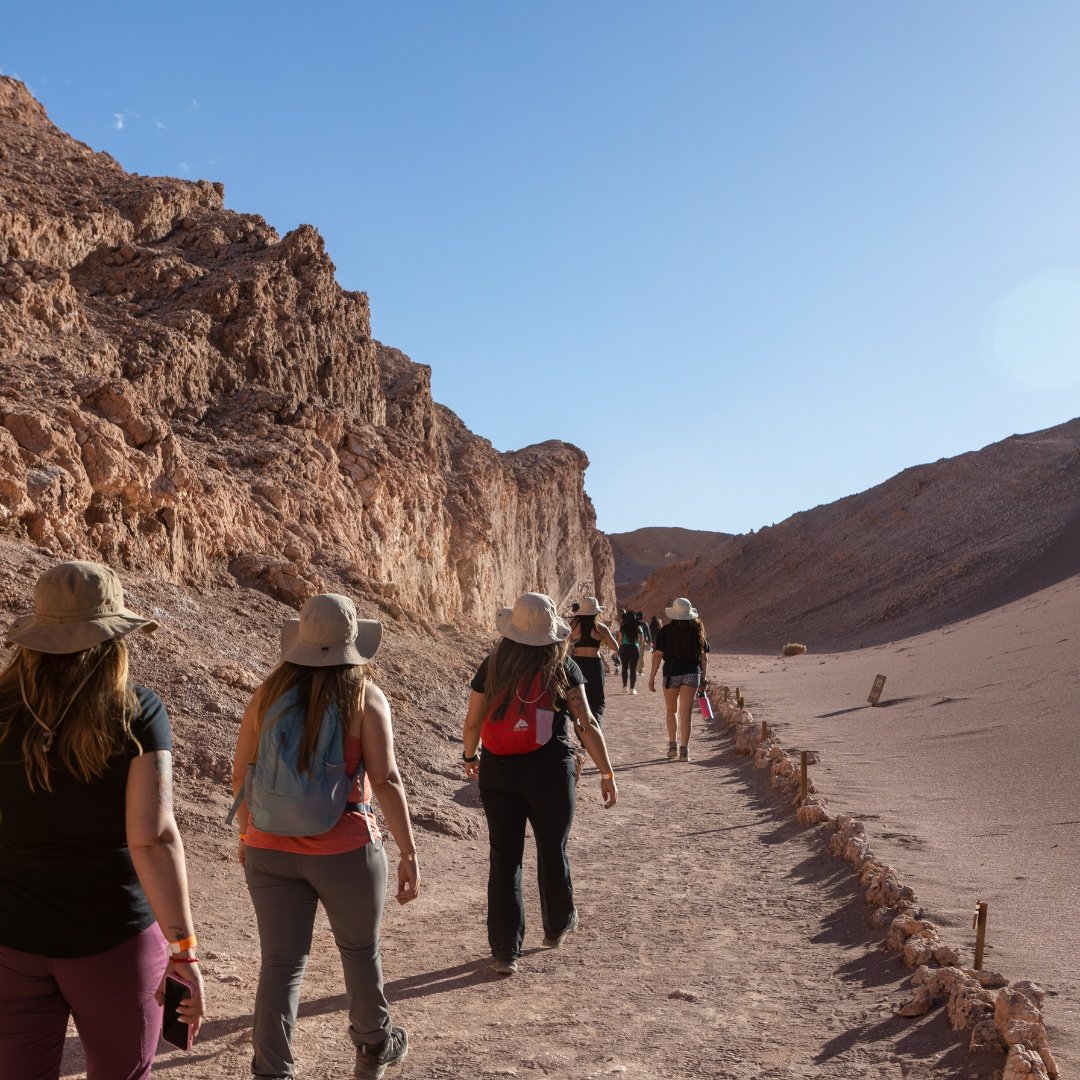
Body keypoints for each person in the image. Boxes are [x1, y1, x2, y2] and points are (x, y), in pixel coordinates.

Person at [0, 560, 206, 1079]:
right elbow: (153, 838)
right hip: (114, 939)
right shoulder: (137, 712)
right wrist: (183, 951)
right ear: (113, 637)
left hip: (11, 941)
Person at [231, 593, 420, 1080]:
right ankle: (374, 1045)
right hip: (345, 850)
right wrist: (408, 851)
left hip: (268, 848)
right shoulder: (365, 697)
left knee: (281, 964)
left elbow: (240, 777)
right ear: (352, 642)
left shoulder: (267, 694)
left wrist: (248, 834)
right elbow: (386, 780)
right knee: (359, 950)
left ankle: (271, 1071)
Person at [461, 592, 617, 975]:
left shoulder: (492, 664)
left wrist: (470, 757)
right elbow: (585, 723)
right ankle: (557, 926)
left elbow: (473, 722)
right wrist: (607, 771)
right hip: (550, 771)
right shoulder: (562, 665)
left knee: (504, 858)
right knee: (552, 847)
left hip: (499, 772)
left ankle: (505, 952)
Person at [648, 597, 709, 761]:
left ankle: (672, 746)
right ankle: (685, 751)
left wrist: (652, 678)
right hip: (692, 673)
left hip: (671, 674)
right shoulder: (698, 630)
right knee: (686, 713)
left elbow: (657, 656)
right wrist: (703, 677)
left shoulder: (665, 631)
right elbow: (704, 657)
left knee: (671, 710)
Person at [567, 596, 619, 725]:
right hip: (594, 665)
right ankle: (596, 727)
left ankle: (581, 729)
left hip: (577, 664)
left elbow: (566, 645)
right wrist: (605, 636)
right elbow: (615, 647)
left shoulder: (572, 625)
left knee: (577, 698)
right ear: (596, 612)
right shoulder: (600, 627)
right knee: (596, 700)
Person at [618, 609, 646, 694]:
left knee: (624, 668)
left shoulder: (623, 626)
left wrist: (619, 648)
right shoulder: (638, 627)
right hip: (634, 648)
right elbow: (642, 639)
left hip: (624, 648)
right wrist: (638, 646)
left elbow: (620, 639)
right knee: (633, 669)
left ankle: (624, 687)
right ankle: (632, 689)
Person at [636, 611, 650, 677]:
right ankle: (640, 670)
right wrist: (649, 641)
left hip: (634, 641)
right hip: (642, 641)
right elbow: (648, 633)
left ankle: (635, 669)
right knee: (641, 656)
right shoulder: (644, 624)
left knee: (635, 655)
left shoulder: (634, 623)